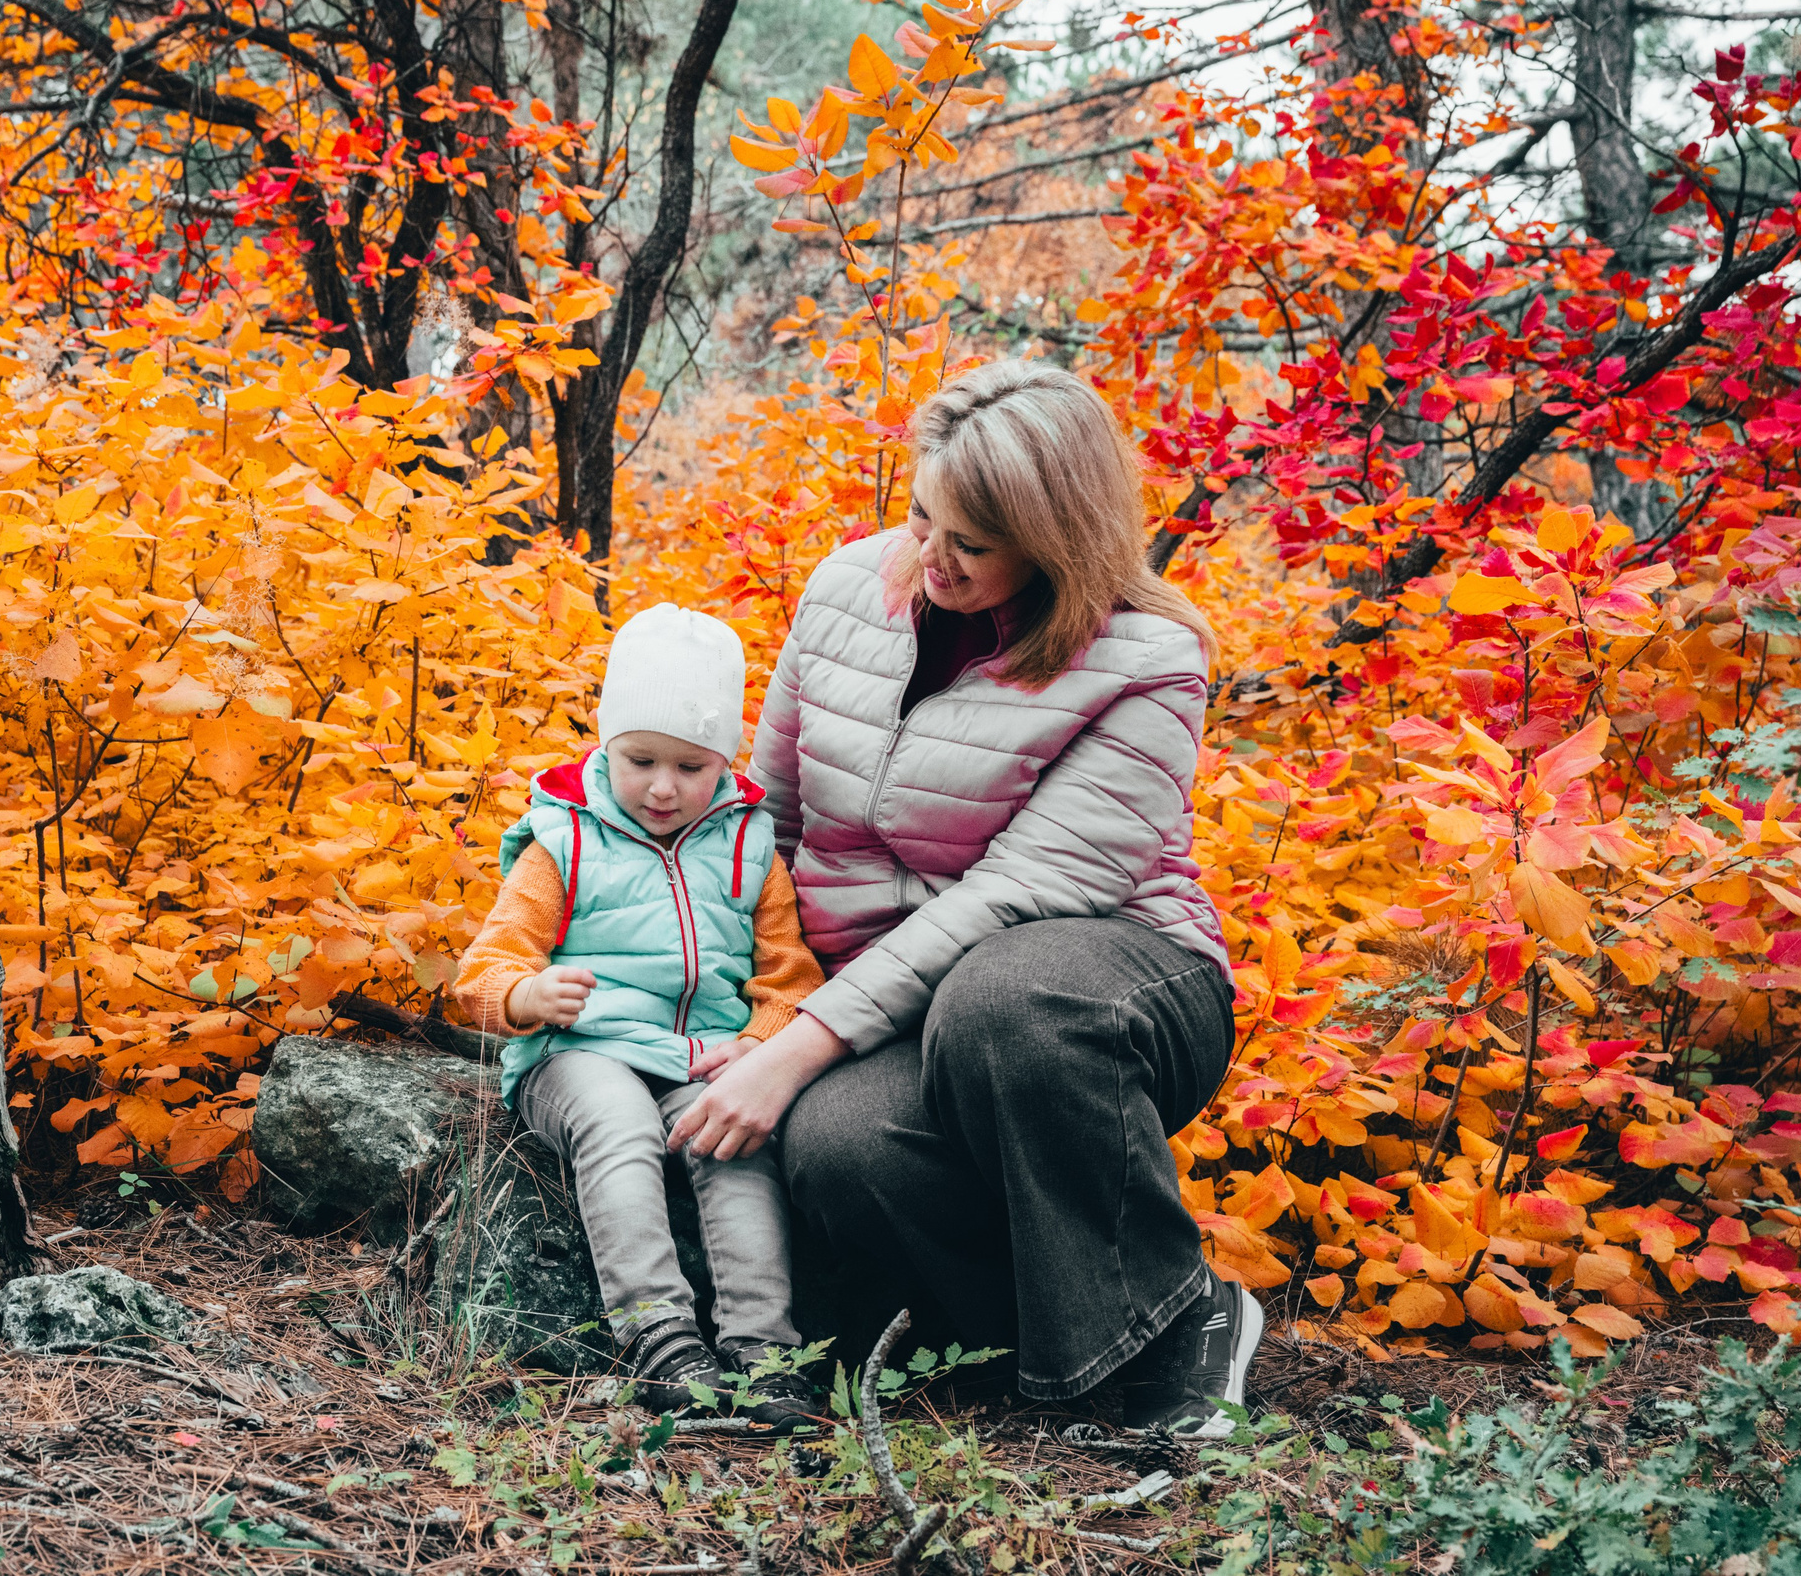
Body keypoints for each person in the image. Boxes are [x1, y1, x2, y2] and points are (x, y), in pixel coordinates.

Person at [663, 360, 1258, 1437]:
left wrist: (794, 1046)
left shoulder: (1147, 660)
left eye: (971, 543)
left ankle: (1182, 1326)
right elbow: (773, 828)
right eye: (921, 517)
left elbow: (1022, 892)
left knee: (1002, 1003)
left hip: (1103, 982)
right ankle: (1044, 1347)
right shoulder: (846, 590)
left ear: (1054, 534)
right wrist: (747, 1009)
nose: (927, 559)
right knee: (836, 1147)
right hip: (881, 1006)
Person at [454, 604, 827, 1428]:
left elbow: (789, 976)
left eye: (691, 767)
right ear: (604, 746)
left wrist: (758, 1044)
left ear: (725, 762)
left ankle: (765, 1351)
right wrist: (524, 996)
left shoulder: (748, 845)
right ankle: (659, 1336)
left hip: (695, 1054)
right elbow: (482, 970)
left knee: (733, 1142)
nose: (663, 786)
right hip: (575, 1052)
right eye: (641, 759)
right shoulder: (565, 839)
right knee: (617, 1122)